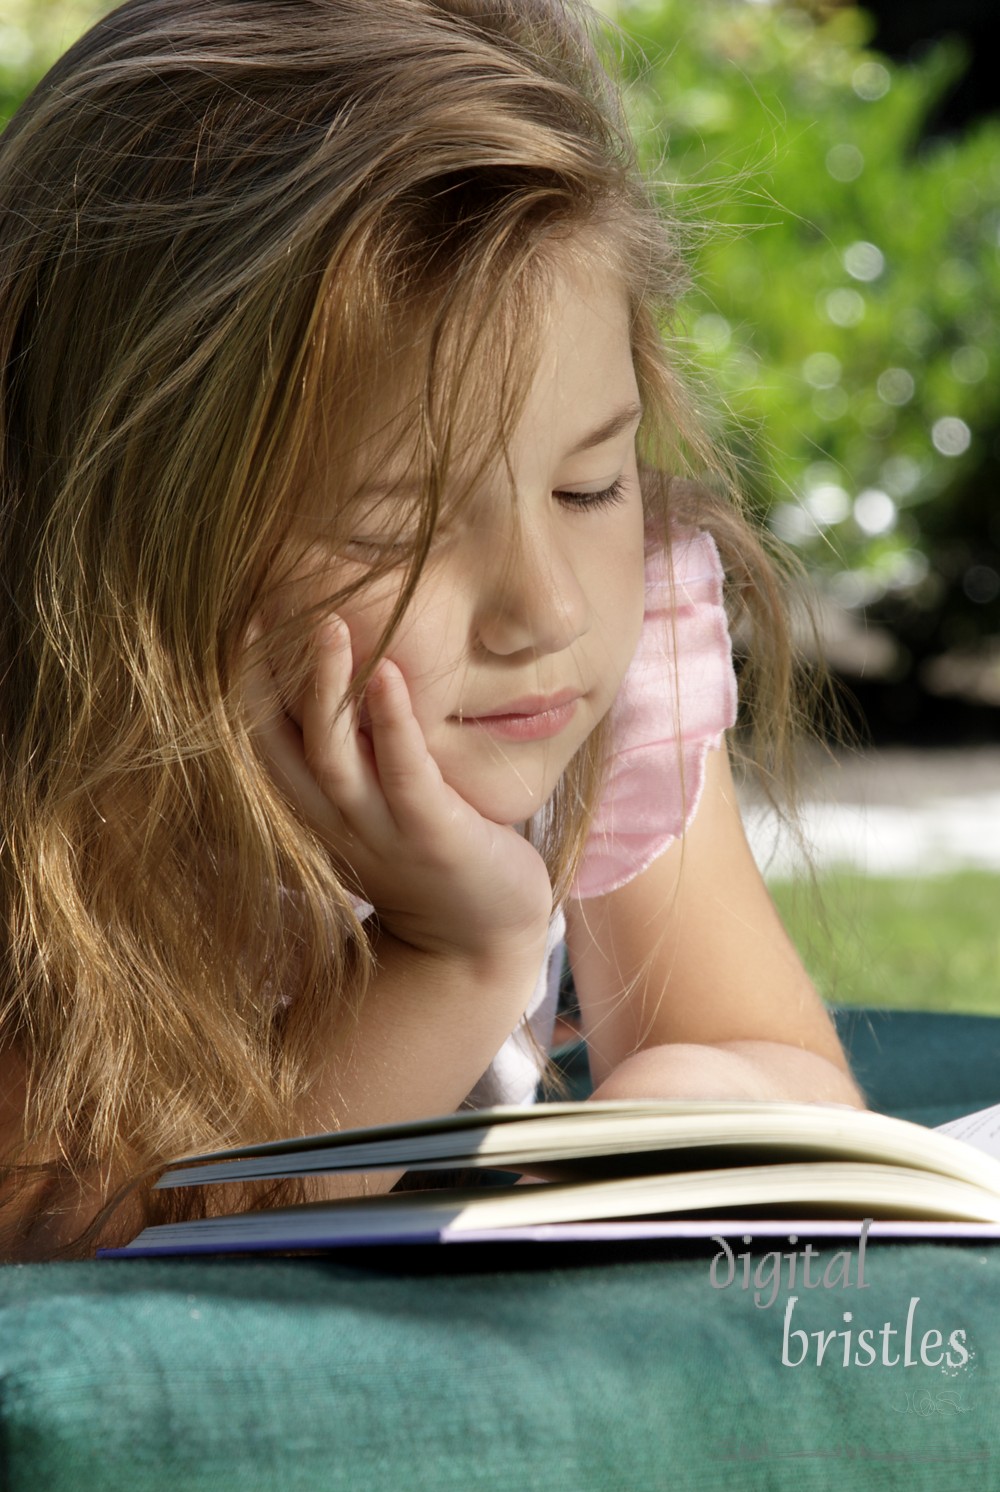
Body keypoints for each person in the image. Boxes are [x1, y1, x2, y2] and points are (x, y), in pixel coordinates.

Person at [0, 0, 861, 1258]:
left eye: (588, 487)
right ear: (119, 544)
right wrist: (452, 960)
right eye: (396, 527)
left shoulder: (612, 670)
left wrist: (694, 1106)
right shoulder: (66, 766)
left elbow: (777, 1064)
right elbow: (73, 1265)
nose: (549, 609)